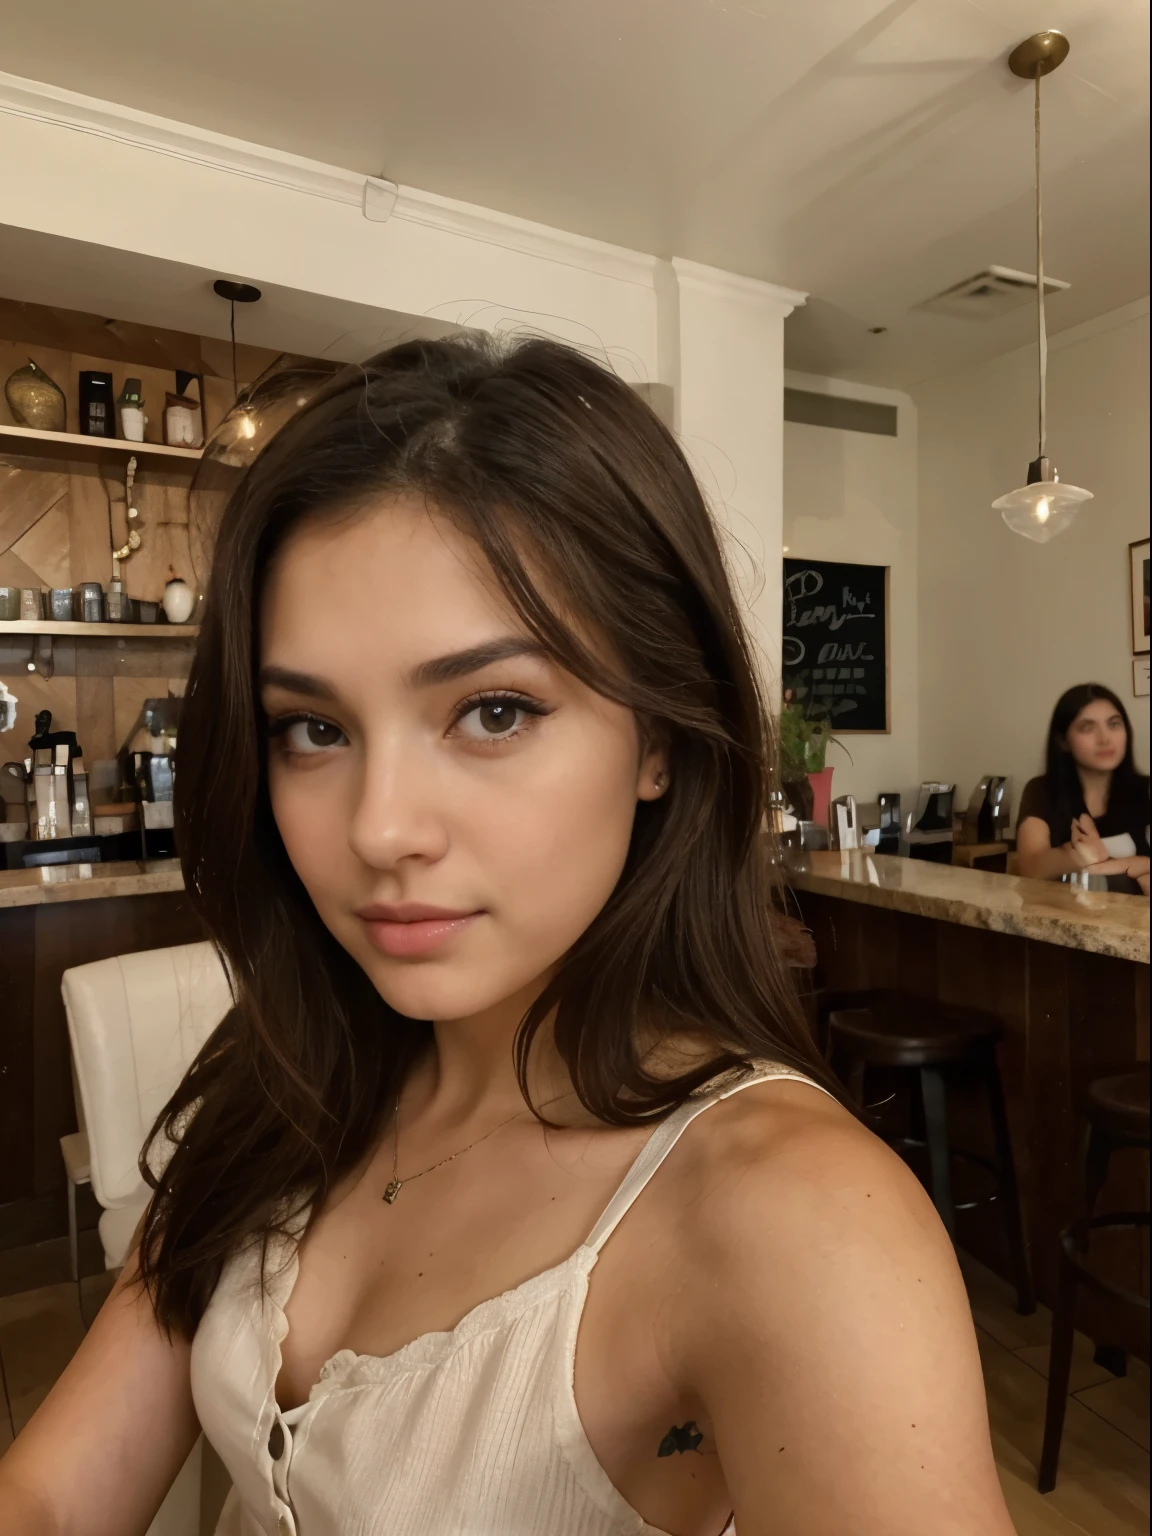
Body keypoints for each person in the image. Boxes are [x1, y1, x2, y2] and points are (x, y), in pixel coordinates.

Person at [0, 337, 1017, 1536]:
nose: (380, 829)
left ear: (657, 741)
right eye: (312, 730)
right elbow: (58, 1493)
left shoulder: (794, 1221)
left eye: (493, 710)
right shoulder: (279, 1081)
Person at [1016, 683, 1150, 895]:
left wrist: (1132, 863)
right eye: (1088, 728)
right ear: (1063, 741)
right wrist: (1073, 856)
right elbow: (1030, 868)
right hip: (1067, 922)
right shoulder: (1042, 790)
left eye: (1114, 724)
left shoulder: (1146, 790)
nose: (1105, 739)